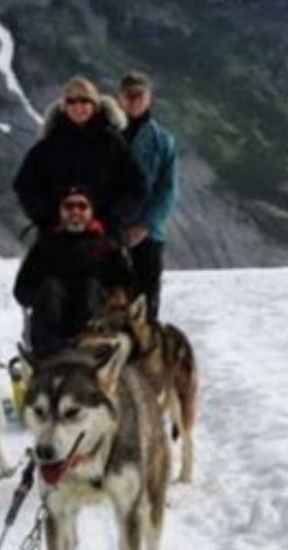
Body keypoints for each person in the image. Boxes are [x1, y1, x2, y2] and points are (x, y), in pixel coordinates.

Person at [13, 75, 146, 240]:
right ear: (64, 106)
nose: (78, 107)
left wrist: (109, 219)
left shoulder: (113, 144)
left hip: (103, 238)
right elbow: (25, 185)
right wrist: (50, 218)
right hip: (57, 239)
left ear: (95, 105)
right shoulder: (49, 145)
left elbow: (137, 187)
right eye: (71, 101)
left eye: (84, 101)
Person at [13, 185, 133, 354]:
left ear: (91, 211)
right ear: (60, 211)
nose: (75, 211)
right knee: (51, 287)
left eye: (82, 206)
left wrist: (113, 296)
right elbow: (22, 290)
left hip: (94, 331)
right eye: (69, 206)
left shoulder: (107, 245)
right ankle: (50, 350)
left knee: (89, 287)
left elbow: (126, 286)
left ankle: (85, 347)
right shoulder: (45, 245)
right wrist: (42, 292)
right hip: (50, 330)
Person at [117, 71, 178, 320]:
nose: (133, 101)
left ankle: (144, 354)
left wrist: (146, 225)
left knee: (145, 303)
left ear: (149, 98)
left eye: (138, 95)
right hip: (111, 230)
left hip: (148, 235)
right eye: (128, 95)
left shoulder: (163, 142)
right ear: (119, 98)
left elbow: (168, 189)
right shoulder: (108, 135)